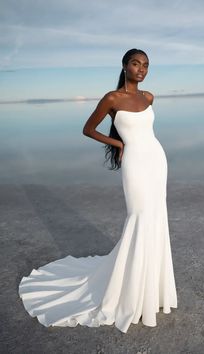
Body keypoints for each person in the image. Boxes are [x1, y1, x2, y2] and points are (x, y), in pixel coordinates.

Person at [18, 48, 178, 334]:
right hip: (135, 163)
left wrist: (133, 145)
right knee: (139, 217)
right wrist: (119, 145)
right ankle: (131, 291)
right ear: (125, 66)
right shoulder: (112, 98)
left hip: (156, 159)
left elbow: (146, 133)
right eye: (135, 63)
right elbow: (88, 129)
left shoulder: (149, 97)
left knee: (156, 218)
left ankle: (152, 289)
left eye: (146, 65)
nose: (141, 69)